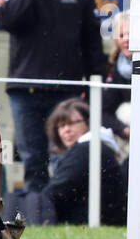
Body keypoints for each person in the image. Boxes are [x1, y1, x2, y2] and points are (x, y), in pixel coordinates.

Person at [0, 0, 107, 193]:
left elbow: (92, 40)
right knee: (32, 159)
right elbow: (6, 19)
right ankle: (36, 216)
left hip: (66, 89)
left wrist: (95, 85)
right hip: (25, 89)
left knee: (70, 156)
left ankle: (64, 213)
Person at [22, 97, 127, 226]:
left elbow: (55, 192)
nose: (66, 130)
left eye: (71, 123)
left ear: (88, 122)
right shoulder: (95, 146)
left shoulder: (87, 148)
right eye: (61, 126)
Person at [102, 9, 130, 152]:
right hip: (126, 137)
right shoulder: (113, 68)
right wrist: (124, 130)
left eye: (131, 34)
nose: (126, 39)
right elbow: (103, 111)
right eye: (121, 35)